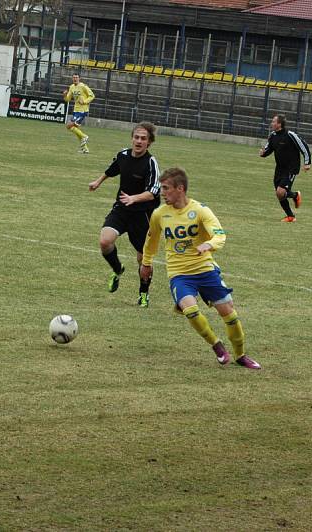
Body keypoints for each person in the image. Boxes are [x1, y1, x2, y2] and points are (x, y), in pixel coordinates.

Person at [141, 167, 261, 369]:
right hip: (179, 274)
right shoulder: (159, 214)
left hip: (205, 270)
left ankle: (240, 355)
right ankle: (217, 346)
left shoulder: (200, 210)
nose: (162, 193)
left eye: (166, 188)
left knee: (230, 315)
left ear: (180, 188)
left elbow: (219, 234)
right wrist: (146, 262)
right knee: (190, 310)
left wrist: (209, 244)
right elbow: (151, 240)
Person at [89, 122, 161, 307]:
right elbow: (112, 170)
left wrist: (134, 198)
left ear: (149, 143)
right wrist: (98, 182)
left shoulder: (151, 163)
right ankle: (117, 268)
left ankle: (143, 294)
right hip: (122, 209)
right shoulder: (123, 155)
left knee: (143, 259)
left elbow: (153, 191)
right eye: (136, 137)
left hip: (142, 215)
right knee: (105, 241)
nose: (138, 141)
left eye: (143, 138)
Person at [259, 114, 311, 223]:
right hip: (279, 169)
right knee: (279, 194)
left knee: (280, 192)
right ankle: (291, 215)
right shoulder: (273, 136)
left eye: (273, 122)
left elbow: (304, 146)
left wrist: (307, 162)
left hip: (291, 168)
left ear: (279, 124)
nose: (271, 123)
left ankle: (295, 196)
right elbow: (268, 149)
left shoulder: (290, 135)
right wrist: (263, 153)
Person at [63, 73, 94, 153]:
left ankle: (85, 136)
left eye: (76, 77)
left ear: (79, 78)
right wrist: (64, 95)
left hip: (82, 110)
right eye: (73, 77)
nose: (75, 79)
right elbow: (68, 99)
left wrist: (84, 102)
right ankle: (85, 149)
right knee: (76, 129)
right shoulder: (72, 87)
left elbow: (92, 96)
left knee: (69, 126)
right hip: (75, 111)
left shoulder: (83, 86)